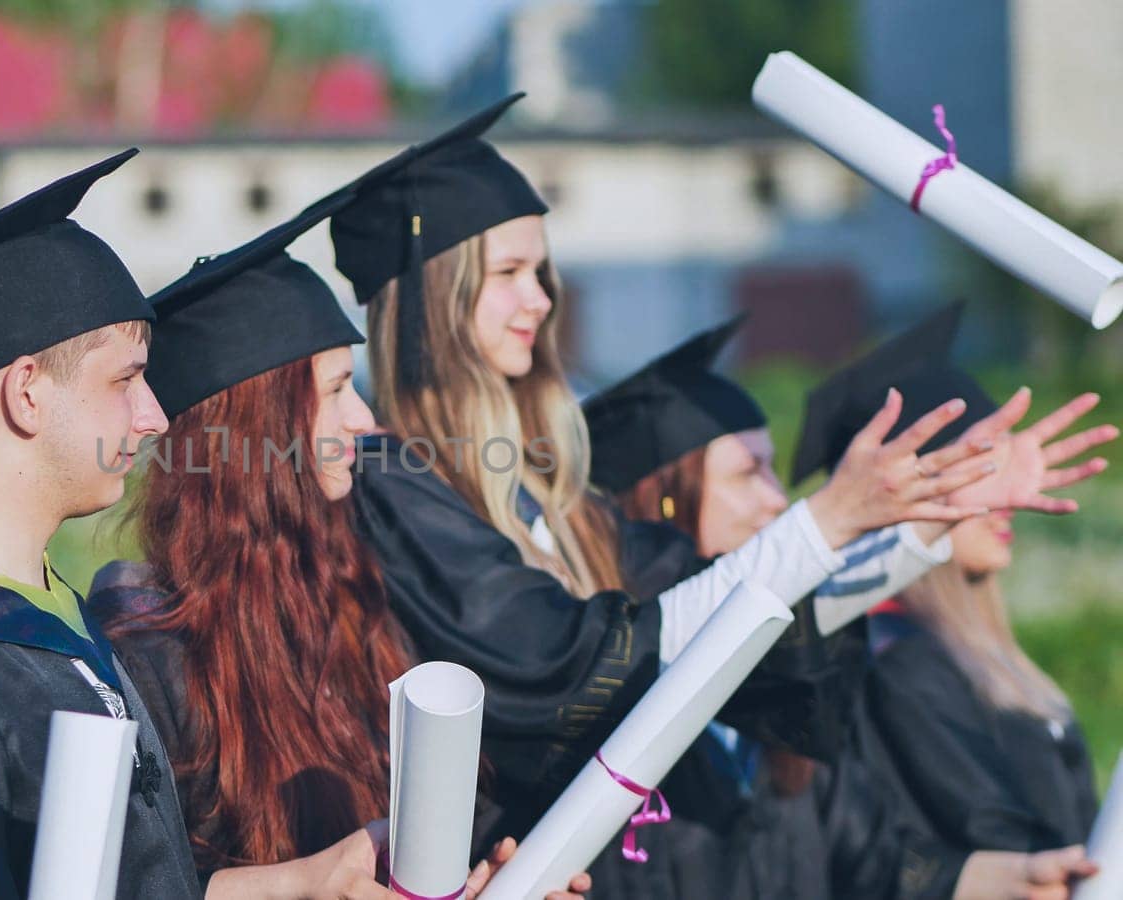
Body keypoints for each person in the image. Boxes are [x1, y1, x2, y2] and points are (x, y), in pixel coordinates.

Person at [329, 93, 1087, 896]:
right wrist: (828, 520)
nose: (543, 300)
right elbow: (558, 659)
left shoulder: (564, 509)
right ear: (435, 298)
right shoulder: (396, 486)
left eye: (542, 273)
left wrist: (924, 519)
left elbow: (729, 621)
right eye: (510, 273)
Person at [0, 151, 418, 899]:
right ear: (27, 393)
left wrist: (304, 884)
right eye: (125, 379)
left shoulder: (50, 614)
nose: (154, 415)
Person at [91, 189, 590, 899]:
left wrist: (481, 882)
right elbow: (145, 875)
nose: (362, 418)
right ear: (259, 428)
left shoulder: (353, 588)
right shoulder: (146, 640)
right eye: (333, 391)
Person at [587, 309, 1110, 898]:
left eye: (774, 471)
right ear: (663, 504)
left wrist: (1015, 876)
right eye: (747, 473)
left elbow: (874, 860)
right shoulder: (604, 705)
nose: (776, 501)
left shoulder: (779, 686)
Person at [790, 305, 1111, 879]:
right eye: (979, 471)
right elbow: (997, 838)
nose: (1007, 500)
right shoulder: (900, 664)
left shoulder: (984, 655)